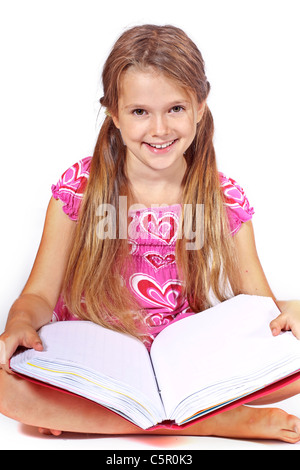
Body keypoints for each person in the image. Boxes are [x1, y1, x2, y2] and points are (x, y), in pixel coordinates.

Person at [0, 24, 300, 443]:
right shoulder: (79, 190)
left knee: (293, 364)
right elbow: (39, 296)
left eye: (175, 108)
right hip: (98, 359)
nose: (159, 129)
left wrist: (292, 309)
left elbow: (258, 307)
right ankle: (214, 419)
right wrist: (18, 322)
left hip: (186, 363)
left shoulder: (223, 197)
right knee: (6, 389)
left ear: (200, 106)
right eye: (140, 111)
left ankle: (99, 416)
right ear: (114, 115)